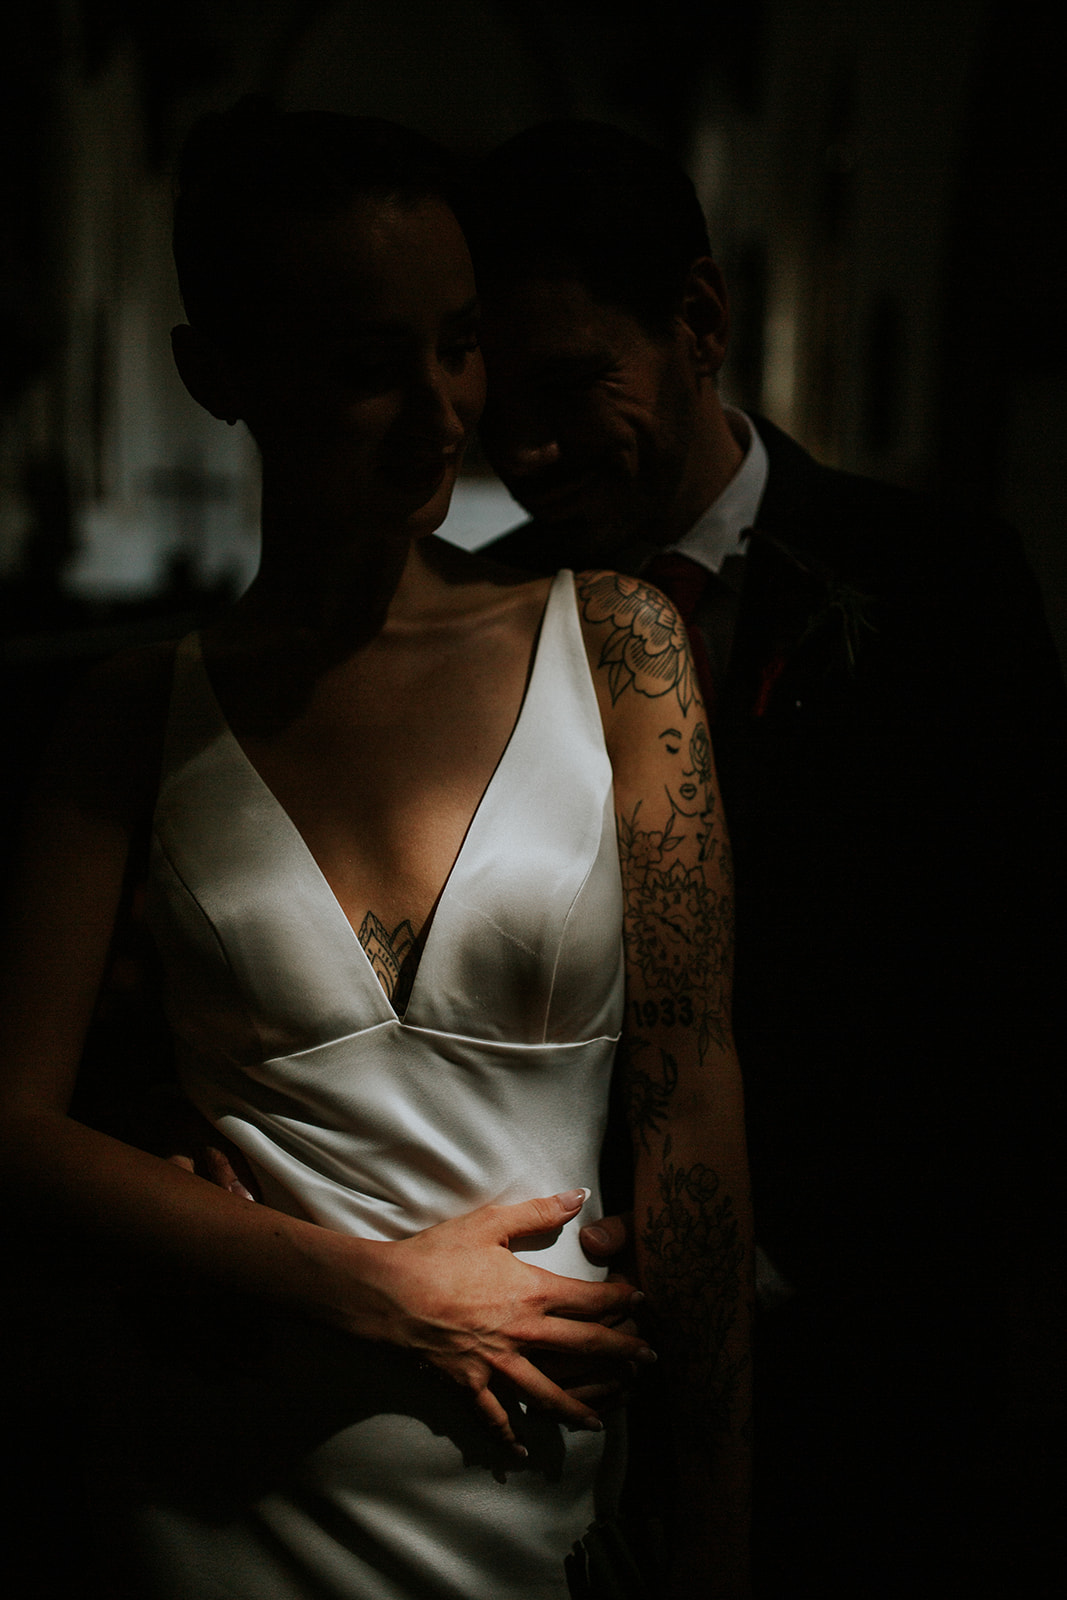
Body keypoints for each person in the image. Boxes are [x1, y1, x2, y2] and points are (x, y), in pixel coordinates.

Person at [0, 104, 752, 1600]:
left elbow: (694, 1112)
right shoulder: (134, 713)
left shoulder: (620, 650)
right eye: (363, 365)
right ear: (220, 377)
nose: (439, 408)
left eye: (459, 343)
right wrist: (388, 1292)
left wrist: (718, 1532)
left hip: (542, 1490)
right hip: (226, 1487)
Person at [458, 120, 1067, 1596]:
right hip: (555, 1360)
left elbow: (1024, 976)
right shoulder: (470, 621)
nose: (528, 455)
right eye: (496, 406)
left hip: (881, 1361)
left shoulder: (940, 586)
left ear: (702, 320)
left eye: (570, 386)